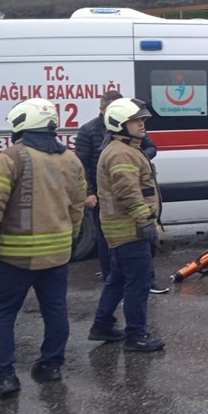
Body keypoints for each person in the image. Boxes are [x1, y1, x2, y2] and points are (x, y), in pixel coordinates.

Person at [0, 99, 86, 399]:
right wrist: (71, 238)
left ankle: (5, 377)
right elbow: (77, 208)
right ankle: (51, 366)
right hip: (57, 254)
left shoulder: (9, 158)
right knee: (56, 311)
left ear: (20, 124)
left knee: (2, 314)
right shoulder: (71, 160)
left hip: (14, 256)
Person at [89, 98, 165, 352]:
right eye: (135, 120)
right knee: (138, 283)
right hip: (129, 229)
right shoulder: (121, 153)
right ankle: (136, 335)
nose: (142, 124)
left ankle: (102, 325)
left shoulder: (125, 148)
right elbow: (127, 191)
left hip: (122, 228)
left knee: (118, 279)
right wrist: (145, 221)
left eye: (142, 119)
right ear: (119, 124)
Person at [76, 89, 167, 294]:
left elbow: (150, 147)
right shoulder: (88, 131)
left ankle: (145, 280)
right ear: (102, 110)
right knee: (108, 242)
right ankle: (112, 278)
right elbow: (82, 165)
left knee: (141, 245)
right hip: (102, 194)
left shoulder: (130, 132)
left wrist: (137, 158)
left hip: (129, 190)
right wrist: (88, 192)